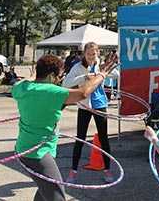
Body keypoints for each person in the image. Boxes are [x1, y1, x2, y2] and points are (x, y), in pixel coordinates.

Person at [12, 53, 117, 201]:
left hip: (23, 148)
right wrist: (102, 74)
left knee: (44, 192)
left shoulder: (21, 88)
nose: (58, 80)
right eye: (58, 77)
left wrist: (34, 74)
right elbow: (83, 93)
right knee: (57, 197)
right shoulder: (51, 92)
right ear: (50, 76)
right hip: (37, 154)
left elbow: (25, 82)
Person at [62, 42, 114, 184]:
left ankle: (107, 170)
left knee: (104, 138)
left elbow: (116, 75)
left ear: (98, 53)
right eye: (89, 54)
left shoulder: (101, 65)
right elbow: (65, 84)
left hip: (100, 105)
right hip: (84, 106)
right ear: (84, 54)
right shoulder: (78, 67)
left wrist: (105, 72)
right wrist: (84, 78)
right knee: (80, 139)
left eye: (94, 54)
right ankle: (73, 171)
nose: (91, 56)